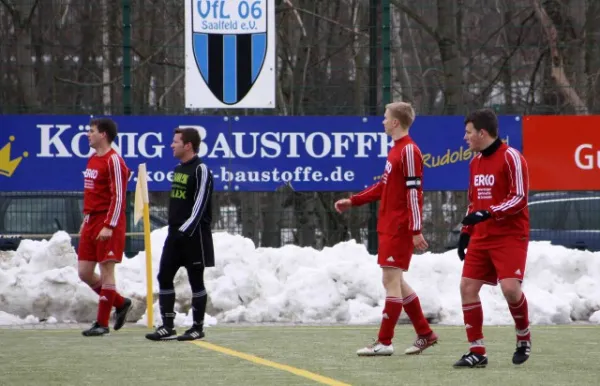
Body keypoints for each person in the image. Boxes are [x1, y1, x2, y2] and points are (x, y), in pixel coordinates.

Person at [335, 101, 438, 356]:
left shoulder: (409, 151)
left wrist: (415, 229)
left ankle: (385, 341)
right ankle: (425, 333)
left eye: (385, 117)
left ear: (395, 122)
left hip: (400, 226)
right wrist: (354, 200)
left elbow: (415, 192)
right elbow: (383, 186)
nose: (382, 121)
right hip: (391, 225)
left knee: (391, 281)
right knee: (396, 281)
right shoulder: (396, 151)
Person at [453, 108, 531, 368]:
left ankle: (523, 336)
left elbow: (519, 198)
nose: (465, 137)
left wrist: (489, 212)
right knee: (467, 288)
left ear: (482, 133)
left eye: (468, 132)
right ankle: (477, 351)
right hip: (482, 236)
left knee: (510, 290)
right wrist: (466, 232)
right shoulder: (474, 162)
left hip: (509, 235)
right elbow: (473, 201)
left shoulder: (512, 157)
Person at [146, 127, 215, 341]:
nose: (171, 145)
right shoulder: (177, 169)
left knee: (196, 281)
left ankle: (197, 327)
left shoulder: (201, 170)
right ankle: (167, 326)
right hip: (174, 235)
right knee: (164, 276)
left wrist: (185, 231)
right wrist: (174, 231)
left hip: (194, 236)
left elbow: (200, 205)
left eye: (175, 142)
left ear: (188, 145)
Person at [78, 117, 132, 337]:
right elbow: (93, 193)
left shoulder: (114, 161)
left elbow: (119, 196)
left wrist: (109, 225)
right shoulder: (92, 159)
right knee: (84, 272)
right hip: (92, 221)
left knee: (106, 270)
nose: (87, 134)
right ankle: (120, 303)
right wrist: (87, 218)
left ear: (104, 135)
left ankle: (102, 323)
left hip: (108, 222)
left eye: (91, 131)